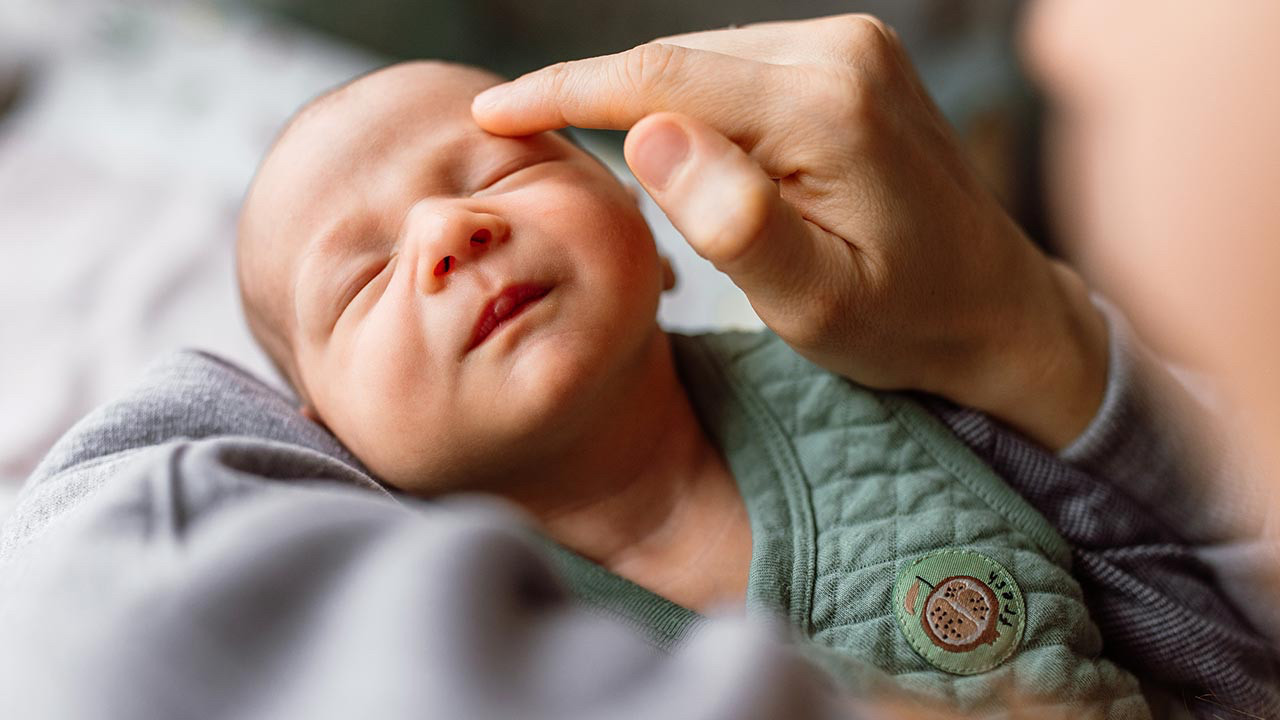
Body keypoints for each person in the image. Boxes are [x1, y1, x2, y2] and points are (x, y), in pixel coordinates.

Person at [234, 58, 1162, 716]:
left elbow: (1184, 577)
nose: (448, 227)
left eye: (502, 171)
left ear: (647, 218)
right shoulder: (442, 628)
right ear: (325, 436)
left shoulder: (877, 371)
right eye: (362, 279)